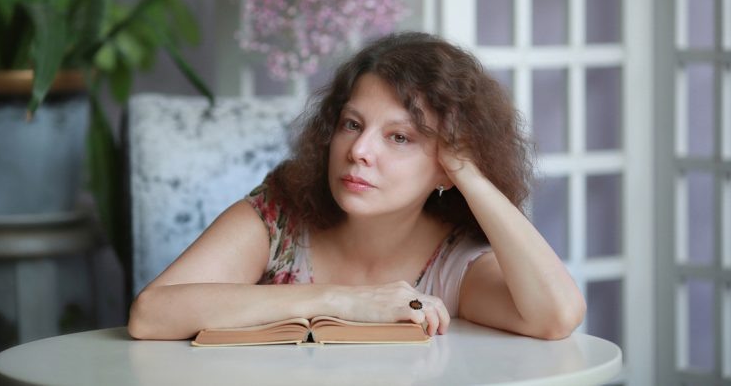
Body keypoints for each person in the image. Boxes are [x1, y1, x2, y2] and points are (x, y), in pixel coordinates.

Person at [127, 32, 586, 341]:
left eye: (399, 137)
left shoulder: (451, 264)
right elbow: (151, 314)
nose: (359, 150)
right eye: (351, 124)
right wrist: (344, 301)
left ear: (445, 165)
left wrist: (469, 176)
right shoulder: (279, 215)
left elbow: (557, 317)